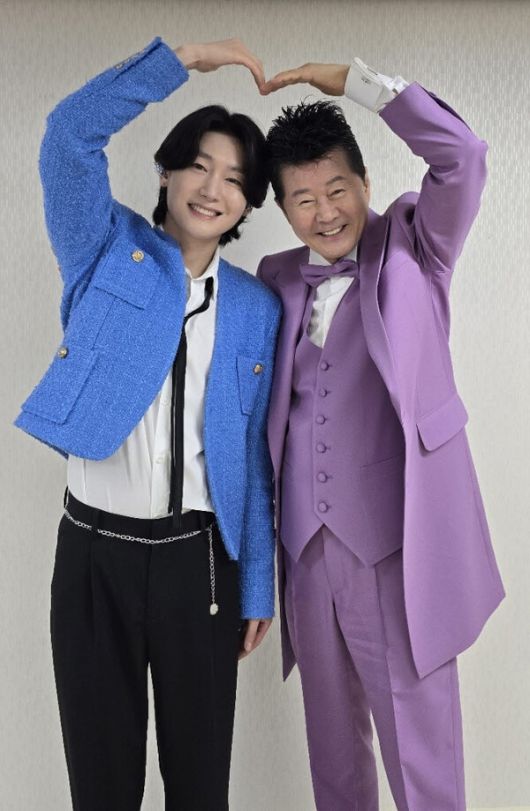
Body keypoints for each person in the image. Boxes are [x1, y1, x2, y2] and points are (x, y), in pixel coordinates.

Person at [14, 37, 280, 811]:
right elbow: (69, 135)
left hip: (203, 565)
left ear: (248, 205)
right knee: (102, 788)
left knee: (200, 789)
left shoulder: (257, 307)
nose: (212, 187)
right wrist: (181, 60)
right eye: (198, 164)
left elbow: (252, 456)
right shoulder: (103, 246)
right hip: (93, 556)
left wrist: (257, 583)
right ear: (165, 170)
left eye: (235, 179)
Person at [258, 57, 505, 809]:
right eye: (303, 199)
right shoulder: (274, 278)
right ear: (282, 208)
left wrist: (358, 84)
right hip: (305, 554)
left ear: (366, 182)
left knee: (422, 764)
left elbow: (463, 157)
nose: (324, 212)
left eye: (337, 189)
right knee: (333, 763)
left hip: (399, 552)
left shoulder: (416, 247)